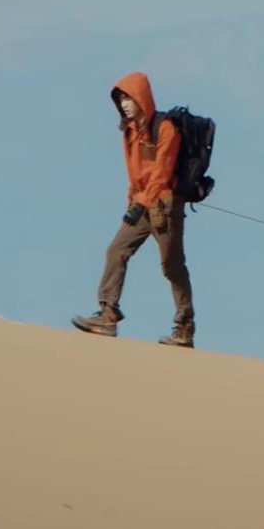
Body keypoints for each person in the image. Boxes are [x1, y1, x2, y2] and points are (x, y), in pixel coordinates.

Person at [72, 72, 196, 347]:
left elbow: (162, 173)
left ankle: (184, 327)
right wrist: (133, 201)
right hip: (139, 205)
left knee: (172, 268)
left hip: (163, 207)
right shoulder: (129, 131)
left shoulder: (165, 129)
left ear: (142, 97)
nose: (124, 104)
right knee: (116, 251)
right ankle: (107, 315)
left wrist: (139, 204)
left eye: (128, 98)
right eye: (120, 99)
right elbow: (136, 172)